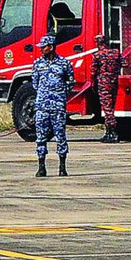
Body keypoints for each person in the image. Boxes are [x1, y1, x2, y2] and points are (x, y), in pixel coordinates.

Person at [32, 34, 74, 177]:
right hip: (42, 107)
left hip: (58, 107)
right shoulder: (38, 64)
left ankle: (62, 167)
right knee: (40, 137)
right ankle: (41, 167)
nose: (41, 49)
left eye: (43, 47)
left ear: (51, 47)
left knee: (60, 136)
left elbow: (70, 82)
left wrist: (60, 95)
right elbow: (35, 83)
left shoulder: (64, 63)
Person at [91, 34, 123, 143]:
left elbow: (93, 72)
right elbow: (124, 64)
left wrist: (93, 84)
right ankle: (108, 132)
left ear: (98, 43)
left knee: (107, 109)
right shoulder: (116, 53)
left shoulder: (97, 55)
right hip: (114, 82)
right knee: (111, 107)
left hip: (103, 84)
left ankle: (113, 132)